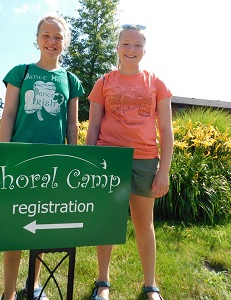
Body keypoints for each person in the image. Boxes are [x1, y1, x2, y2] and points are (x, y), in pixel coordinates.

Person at [0, 15, 84, 300]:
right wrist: (3, 154)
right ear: (36, 39)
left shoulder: (71, 81)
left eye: (58, 36)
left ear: (65, 42)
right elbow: (8, 115)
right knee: (15, 228)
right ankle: (9, 291)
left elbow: (72, 125)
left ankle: (32, 286)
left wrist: (73, 157)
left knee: (40, 226)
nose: (52, 41)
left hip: (54, 165)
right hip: (21, 161)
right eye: (46, 35)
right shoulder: (20, 73)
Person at [86, 24, 173, 300]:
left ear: (144, 50)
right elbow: (93, 126)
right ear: (118, 47)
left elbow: (167, 131)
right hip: (108, 160)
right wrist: (89, 165)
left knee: (144, 224)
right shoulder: (103, 83)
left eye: (137, 45)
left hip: (145, 160)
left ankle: (151, 285)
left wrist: (164, 171)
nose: (131, 49)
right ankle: (103, 282)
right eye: (126, 43)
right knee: (108, 221)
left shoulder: (156, 83)